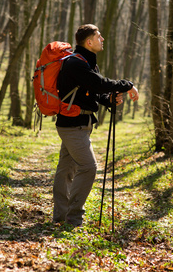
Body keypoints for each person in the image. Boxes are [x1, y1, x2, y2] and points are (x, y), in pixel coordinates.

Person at [53, 24, 139, 227]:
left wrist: (108, 101)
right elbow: (100, 83)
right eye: (98, 36)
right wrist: (128, 85)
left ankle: (61, 217)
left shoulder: (85, 62)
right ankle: (73, 218)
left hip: (79, 123)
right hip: (73, 125)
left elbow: (91, 92)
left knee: (66, 170)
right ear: (88, 42)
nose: (103, 39)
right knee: (89, 167)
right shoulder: (76, 63)